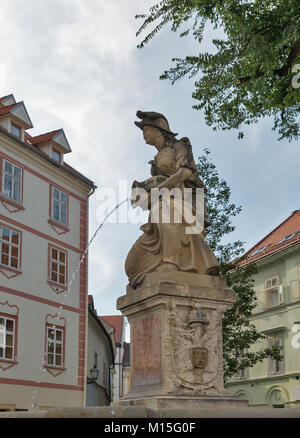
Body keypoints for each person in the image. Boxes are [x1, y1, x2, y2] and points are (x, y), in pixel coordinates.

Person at [125, 111, 219, 288]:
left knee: (165, 210)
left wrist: (159, 189)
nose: (143, 134)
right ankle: (149, 270)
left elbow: (186, 172)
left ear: (159, 128)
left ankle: (171, 262)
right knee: (132, 264)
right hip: (165, 203)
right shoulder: (156, 159)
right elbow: (157, 183)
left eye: (145, 129)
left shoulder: (180, 146)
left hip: (188, 200)